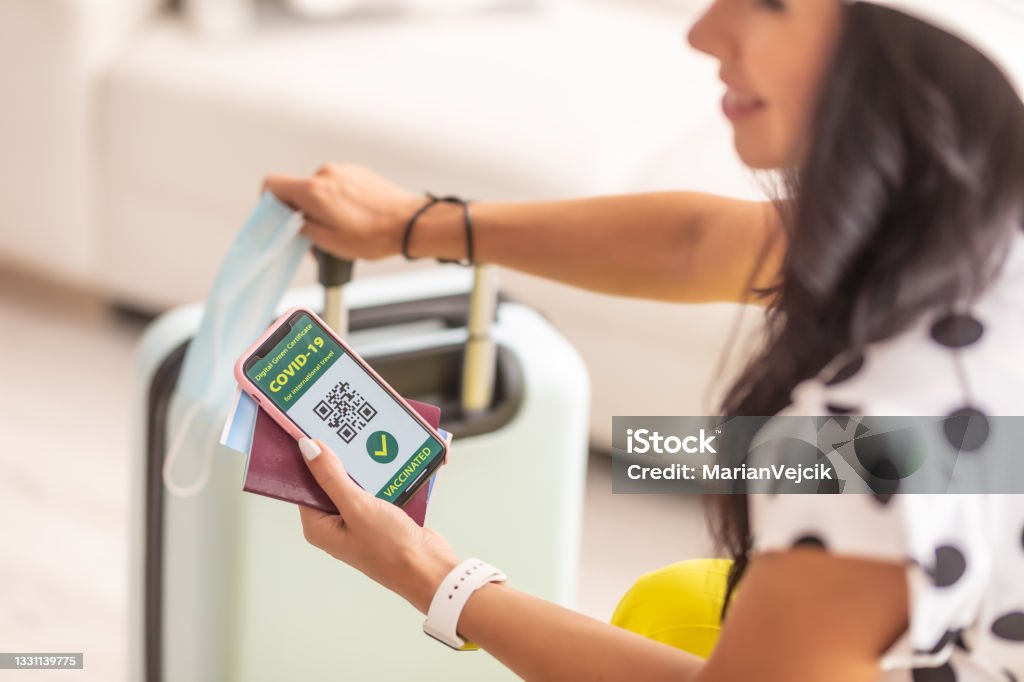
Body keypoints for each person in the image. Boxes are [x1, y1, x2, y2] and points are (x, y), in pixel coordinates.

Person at [262, 0, 1024, 678]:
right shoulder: (964, 220)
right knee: (676, 589)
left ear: (911, 55)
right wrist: (413, 225)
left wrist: (436, 578)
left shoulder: (883, 423)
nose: (701, 31)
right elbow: (698, 243)